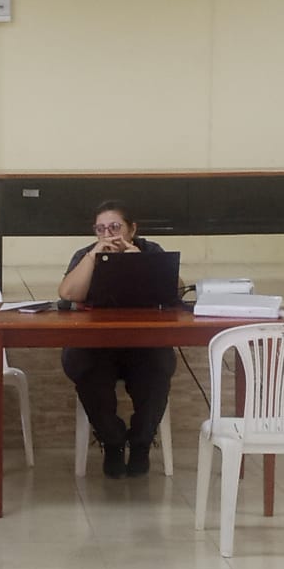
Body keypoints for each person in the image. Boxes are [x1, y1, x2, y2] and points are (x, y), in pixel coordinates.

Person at [58, 200, 177, 479]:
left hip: (143, 342)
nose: (108, 234)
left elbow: (173, 290)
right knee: (84, 367)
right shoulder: (86, 254)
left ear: (132, 229)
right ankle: (112, 441)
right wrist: (93, 256)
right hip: (98, 342)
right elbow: (68, 293)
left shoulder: (150, 251)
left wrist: (139, 261)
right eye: (100, 229)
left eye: (115, 227)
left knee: (158, 370)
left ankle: (141, 443)